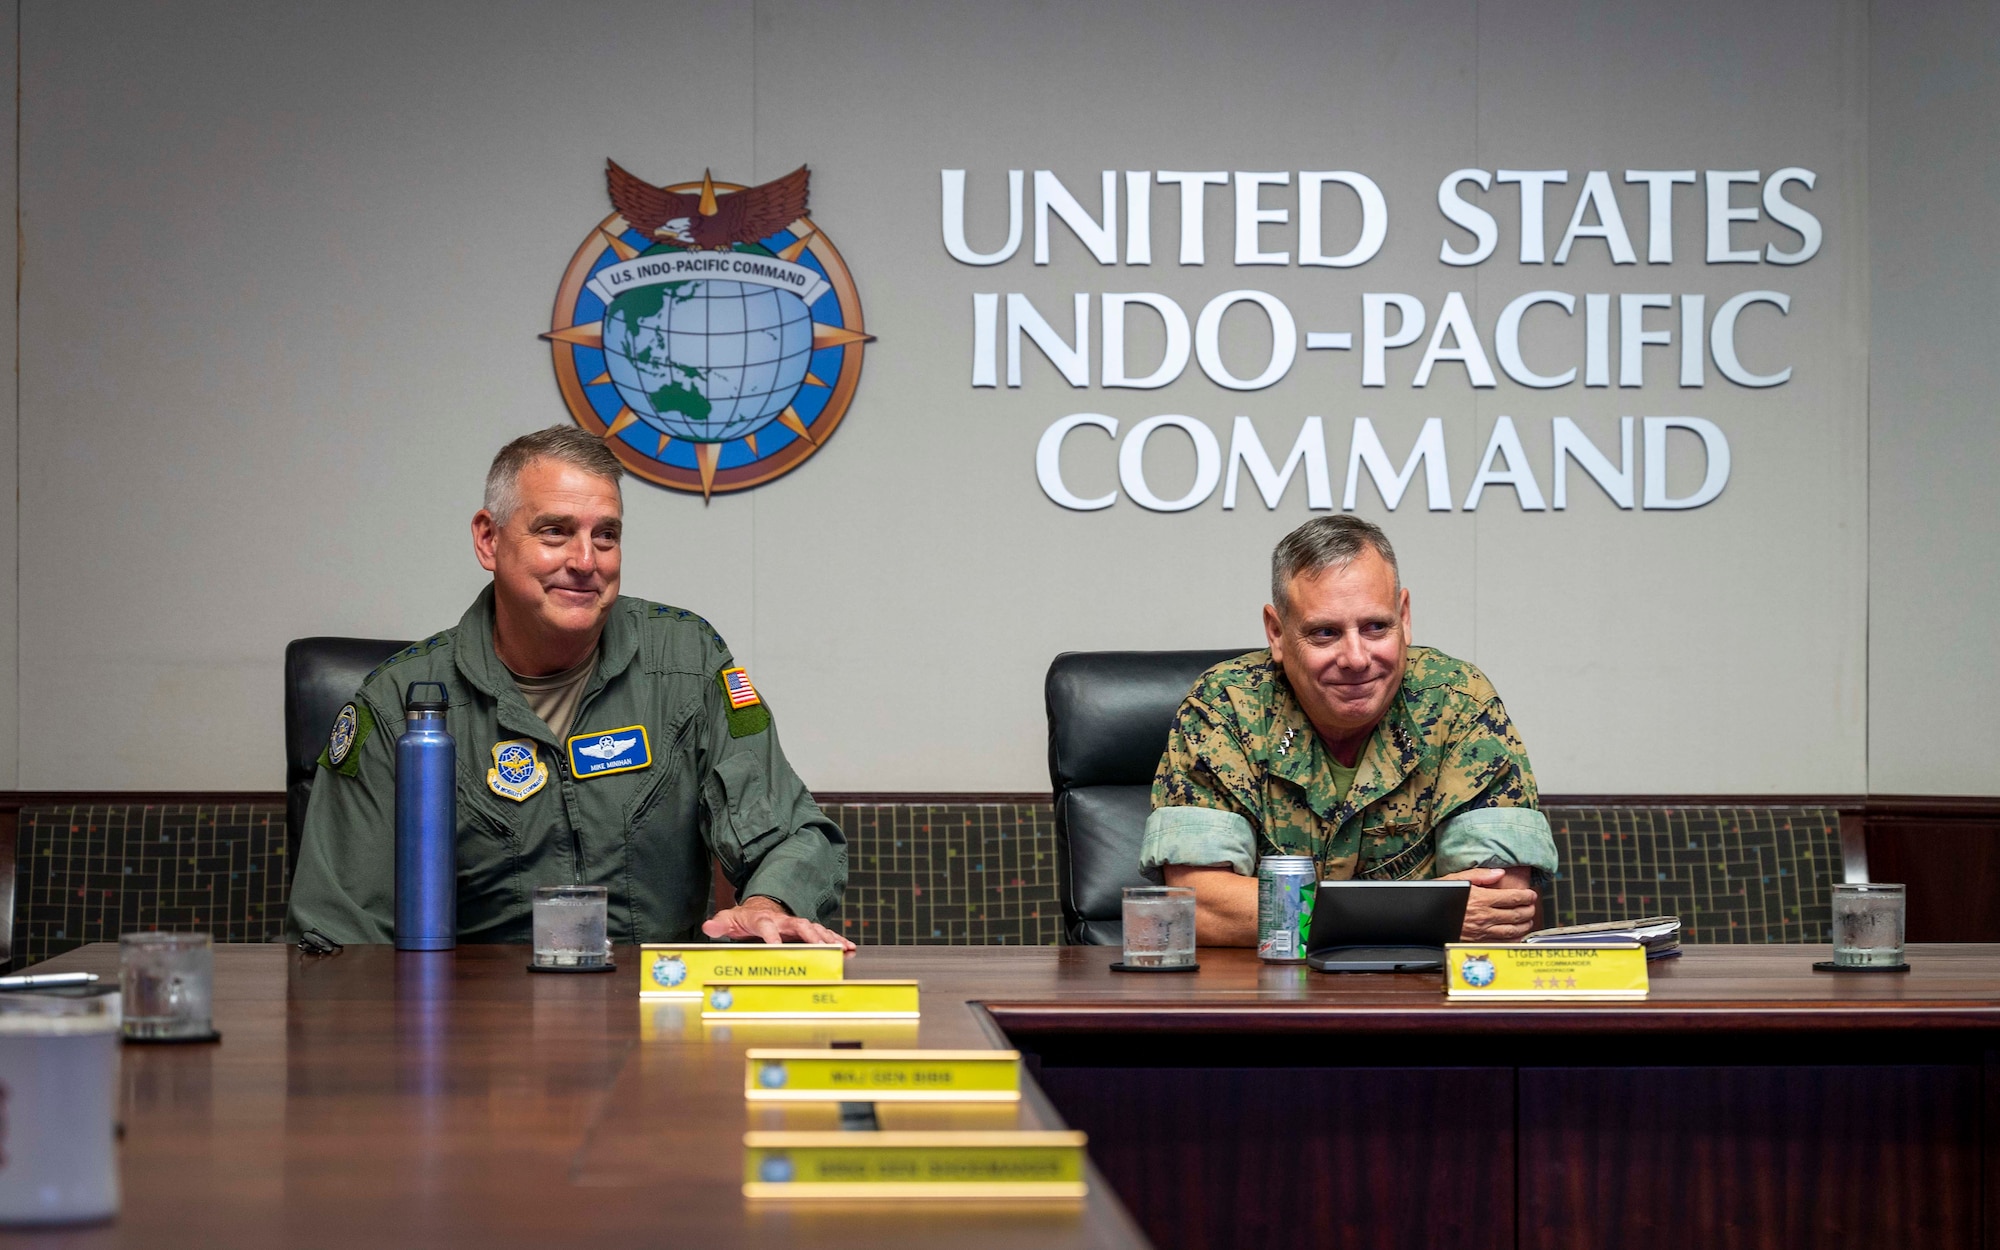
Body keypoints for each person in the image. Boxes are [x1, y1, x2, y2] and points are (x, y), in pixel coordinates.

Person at [287, 426, 852, 949]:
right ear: (488, 539)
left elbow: (788, 830)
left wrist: (765, 902)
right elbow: (337, 932)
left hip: (656, 1018)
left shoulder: (687, 664)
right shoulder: (397, 708)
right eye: (555, 532)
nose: (585, 561)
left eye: (605, 535)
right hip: (477, 1032)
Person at [1141, 515, 1556, 943]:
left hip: (1424, 998)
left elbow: (1501, 907)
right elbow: (1199, 905)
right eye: (1325, 633)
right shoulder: (1225, 706)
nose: (1356, 658)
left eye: (1376, 627)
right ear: (1277, 632)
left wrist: (1295, 913)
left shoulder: (1458, 701)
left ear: (1405, 616)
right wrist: (1405, 916)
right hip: (1267, 996)